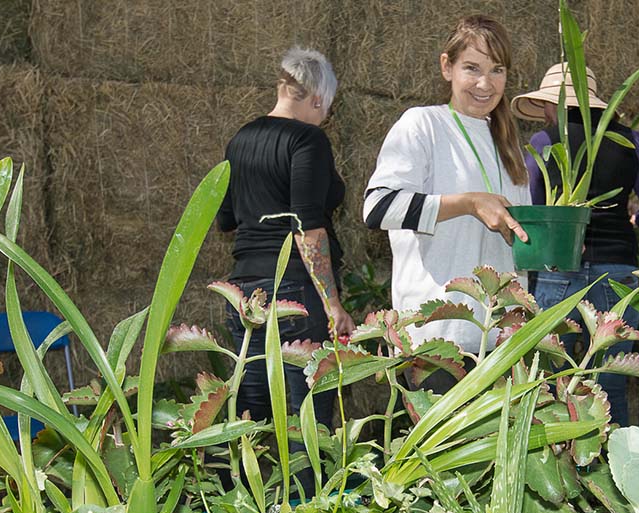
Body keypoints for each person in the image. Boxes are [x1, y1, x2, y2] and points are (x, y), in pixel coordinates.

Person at [362, 15, 530, 392]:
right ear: (446, 67)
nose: (485, 84)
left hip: (500, 343)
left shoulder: (508, 146)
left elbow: (516, 241)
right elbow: (378, 207)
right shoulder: (422, 125)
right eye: (472, 68)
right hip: (438, 341)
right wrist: (469, 203)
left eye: (497, 70)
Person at [510, 63, 639, 426]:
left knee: (548, 381)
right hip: (618, 271)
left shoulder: (543, 143)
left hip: (556, 270)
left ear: (551, 105)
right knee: (610, 384)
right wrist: (634, 220)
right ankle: (616, 473)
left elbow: (533, 213)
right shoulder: (633, 142)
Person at [217, 47, 354, 429]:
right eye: (326, 108)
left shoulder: (240, 140)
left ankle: (249, 489)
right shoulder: (308, 140)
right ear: (316, 98)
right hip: (295, 293)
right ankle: (308, 492)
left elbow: (226, 218)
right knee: (306, 417)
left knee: (252, 416)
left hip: (243, 294)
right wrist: (333, 304)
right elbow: (306, 227)